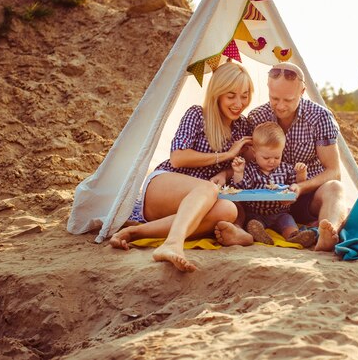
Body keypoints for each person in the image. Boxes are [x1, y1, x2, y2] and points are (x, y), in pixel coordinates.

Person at [109, 62, 255, 272]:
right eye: (231, 95)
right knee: (209, 188)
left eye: (245, 95)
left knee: (228, 210)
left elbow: (246, 163)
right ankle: (173, 244)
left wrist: (226, 171)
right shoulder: (197, 114)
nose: (239, 103)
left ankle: (134, 233)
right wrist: (226, 155)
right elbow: (178, 158)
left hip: (201, 201)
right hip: (166, 183)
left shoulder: (243, 125)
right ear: (217, 93)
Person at [248, 62, 346, 252]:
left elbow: (334, 171)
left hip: (307, 197)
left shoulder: (320, 117)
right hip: (266, 202)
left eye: (288, 99)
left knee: (335, 188)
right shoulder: (256, 117)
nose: (281, 106)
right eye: (274, 98)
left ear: (302, 91)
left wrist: (300, 187)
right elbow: (249, 165)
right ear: (268, 88)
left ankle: (326, 234)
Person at [230, 122, 317, 248]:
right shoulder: (250, 170)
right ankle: (258, 234)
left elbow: (296, 186)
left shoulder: (285, 169)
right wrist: (238, 173)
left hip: (280, 212)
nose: (272, 161)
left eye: (277, 157)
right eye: (266, 158)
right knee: (253, 222)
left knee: (288, 222)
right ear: (254, 152)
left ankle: (294, 237)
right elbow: (240, 189)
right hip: (256, 212)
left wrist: (301, 173)